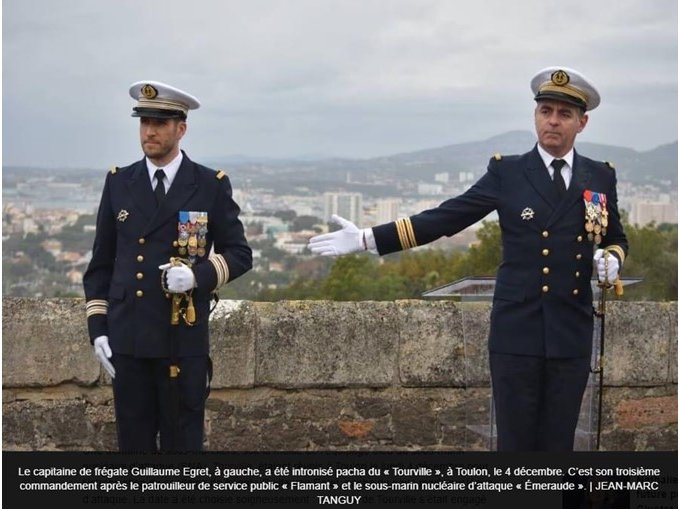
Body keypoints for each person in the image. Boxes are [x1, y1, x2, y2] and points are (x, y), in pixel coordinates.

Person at [308, 67, 628, 451]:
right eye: (546, 111)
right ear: (535, 115)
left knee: (559, 443)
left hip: (571, 330)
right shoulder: (508, 172)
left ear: (582, 122)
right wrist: (367, 239)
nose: (553, 121)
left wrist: (612, 258)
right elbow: (446, 218)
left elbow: (616, 238)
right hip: (517, 331)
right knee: (515, 443)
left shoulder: (599, 176)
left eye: (564, 114)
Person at [83, 81, 252, 452]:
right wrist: (98, 328)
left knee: (182, 446)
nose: (150, 132)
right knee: (134, 446)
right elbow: (100, 264)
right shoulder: (118, 183)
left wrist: (197, 275)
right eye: (144, 122)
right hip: (129, 342)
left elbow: (240, 254)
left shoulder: (209, 184)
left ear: (181, 128)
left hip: (181, 340)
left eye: (160, 123)